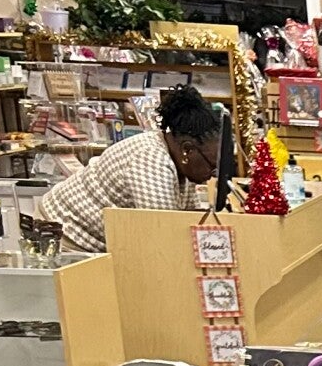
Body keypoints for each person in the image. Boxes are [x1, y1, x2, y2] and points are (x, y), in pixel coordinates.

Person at [36, 84, 222, 253]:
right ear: (187, 150)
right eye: (211, 165)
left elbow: (189, 221)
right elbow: (163, 235)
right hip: (64, 234)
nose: (213, 174)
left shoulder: (178, 161)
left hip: (83, 236)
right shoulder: (152, 160)